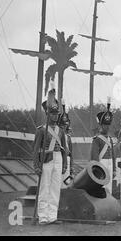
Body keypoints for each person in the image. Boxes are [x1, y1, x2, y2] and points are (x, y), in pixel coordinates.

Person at [33, 94, 67, 225]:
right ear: (47, 114)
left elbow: (64, 149)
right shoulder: (41, 130)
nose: (55, 116)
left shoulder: (61, 130)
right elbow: (35, 150)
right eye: (53, 113)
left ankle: (52, 216)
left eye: (57, 113)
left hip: (58, 158)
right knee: (44, 188)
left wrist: (64, 164)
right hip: (46, 159)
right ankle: (43, 217)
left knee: (55, 188)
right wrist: (36, 166)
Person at [90, 99, 116, 195]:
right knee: (101, 186)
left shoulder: (110, 139)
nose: (107, 127)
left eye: (108, 125)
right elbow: (94, 156)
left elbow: (113, 156)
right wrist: (96, 169)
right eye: (105, 125)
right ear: (100, 125)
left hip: (109, 163)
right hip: (102, 163)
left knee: (109, 186)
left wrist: (114, 170)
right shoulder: (97, 139)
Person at [58, 101, 74, 188]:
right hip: (59, 160)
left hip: (66, 161)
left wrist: (71, 166)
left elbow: (71, 154)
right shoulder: (57, 135)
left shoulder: (68, 137)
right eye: (62, 125)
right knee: (58, 182)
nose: (64, 127)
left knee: (65, 184)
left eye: (65, 125)